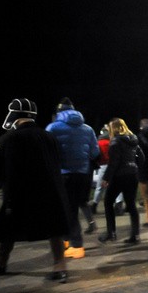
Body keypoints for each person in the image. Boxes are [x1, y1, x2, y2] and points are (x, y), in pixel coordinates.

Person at [0, 98, 69, 282]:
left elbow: (7, 171)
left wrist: (9, 195)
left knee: (9, 225)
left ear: (15, 116)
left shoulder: (9, 138)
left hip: (23, 191)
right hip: (51, 189)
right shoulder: (48, 136)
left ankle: (0, 262)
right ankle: (60, 267)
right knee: (54, 228)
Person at [45, 97, 100, 259]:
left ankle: (76, 245)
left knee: (67, 210)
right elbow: (94, 153)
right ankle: (67, 240)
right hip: (83, 174)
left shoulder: (53, 127)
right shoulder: (88, 129)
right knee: (71, 207)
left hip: (63, 174)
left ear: (58, 112)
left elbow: (46, 150)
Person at [98, 118, 143, 245]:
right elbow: (142, 157)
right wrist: (135, 167)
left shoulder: (115, 142)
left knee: (108, 202)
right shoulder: (134, 140)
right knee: (131, 205)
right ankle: (135, 236)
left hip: (119, 176)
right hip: (132, 175)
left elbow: (114, 162)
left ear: (113, 128)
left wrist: (106, 178)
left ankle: (111, 233)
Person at [90, 124, 124, 216]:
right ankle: (118, 206)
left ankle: (94, 205)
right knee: (117, 186)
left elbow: (95, 155)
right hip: (115, 166)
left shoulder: (99, 143)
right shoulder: (113, 141)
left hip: (103, 166)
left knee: (100, 187)